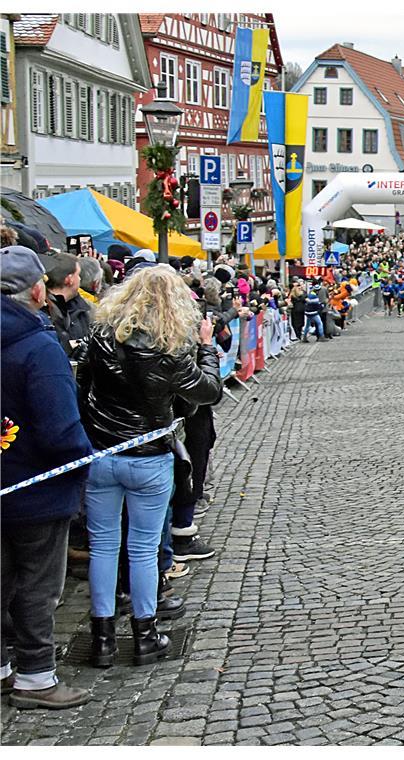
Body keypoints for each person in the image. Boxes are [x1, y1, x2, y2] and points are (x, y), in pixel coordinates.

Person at [77, 265, 222, 667]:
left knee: (104, 546)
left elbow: (84, 383)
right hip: (147, 456)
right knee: (142, 548)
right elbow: (209, 392)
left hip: (103, 453)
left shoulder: (101, 337)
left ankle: (102, 637)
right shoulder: (170, 350)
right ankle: (145, 634)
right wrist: (206, 348)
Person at [1, 246, 93, 709]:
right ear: (36, 289)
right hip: (37, 487)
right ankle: (36, 677)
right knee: (38, 584)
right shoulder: (40, 346)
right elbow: (61, 429)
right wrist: (84, 459)